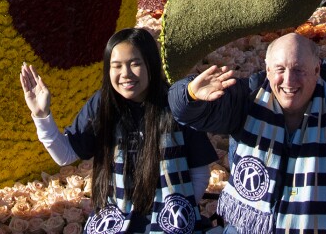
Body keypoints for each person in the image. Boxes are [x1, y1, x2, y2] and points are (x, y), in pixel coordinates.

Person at [168, 32, 326, 234]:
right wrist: (190, 95)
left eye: (299, 70)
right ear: (267, 70)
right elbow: (186, 112)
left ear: (317, 69)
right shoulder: (245, 101)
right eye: (280, 69)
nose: (289, 81)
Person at [21, 28, 217, 234]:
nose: (126, 74)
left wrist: (177, 214)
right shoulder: (102, 104)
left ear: (151, 64)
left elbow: (199, 173)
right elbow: (66, 155)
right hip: (115, 220)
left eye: (135, 64)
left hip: (172, 221)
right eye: (117, 66)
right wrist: (42, 115)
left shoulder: (175, 104)